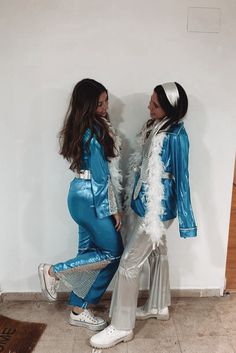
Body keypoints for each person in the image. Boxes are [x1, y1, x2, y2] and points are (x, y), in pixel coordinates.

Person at [90, 82, 197, 348]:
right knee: (157, 252)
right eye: (151, 101)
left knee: (129, 263)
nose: (148, 107)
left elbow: (182, 179)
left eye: (155, 105)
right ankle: (158, 305)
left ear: (171, 109)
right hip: (143, 203)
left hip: (159, 210)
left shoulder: (176, 135)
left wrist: (187, 222)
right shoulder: (154, 126)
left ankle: (121, 326)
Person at [38, 78, 124, 331]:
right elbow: (100, 177)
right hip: (91, 197)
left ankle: (78, 308)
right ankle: (53, 271)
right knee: (112, 253)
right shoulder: (95, 130)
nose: (106, 107)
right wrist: (112, 208)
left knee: (88, 254)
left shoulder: (81, 125)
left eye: (106, 100)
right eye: (100, 103)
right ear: (88, 105)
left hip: (78, 194)